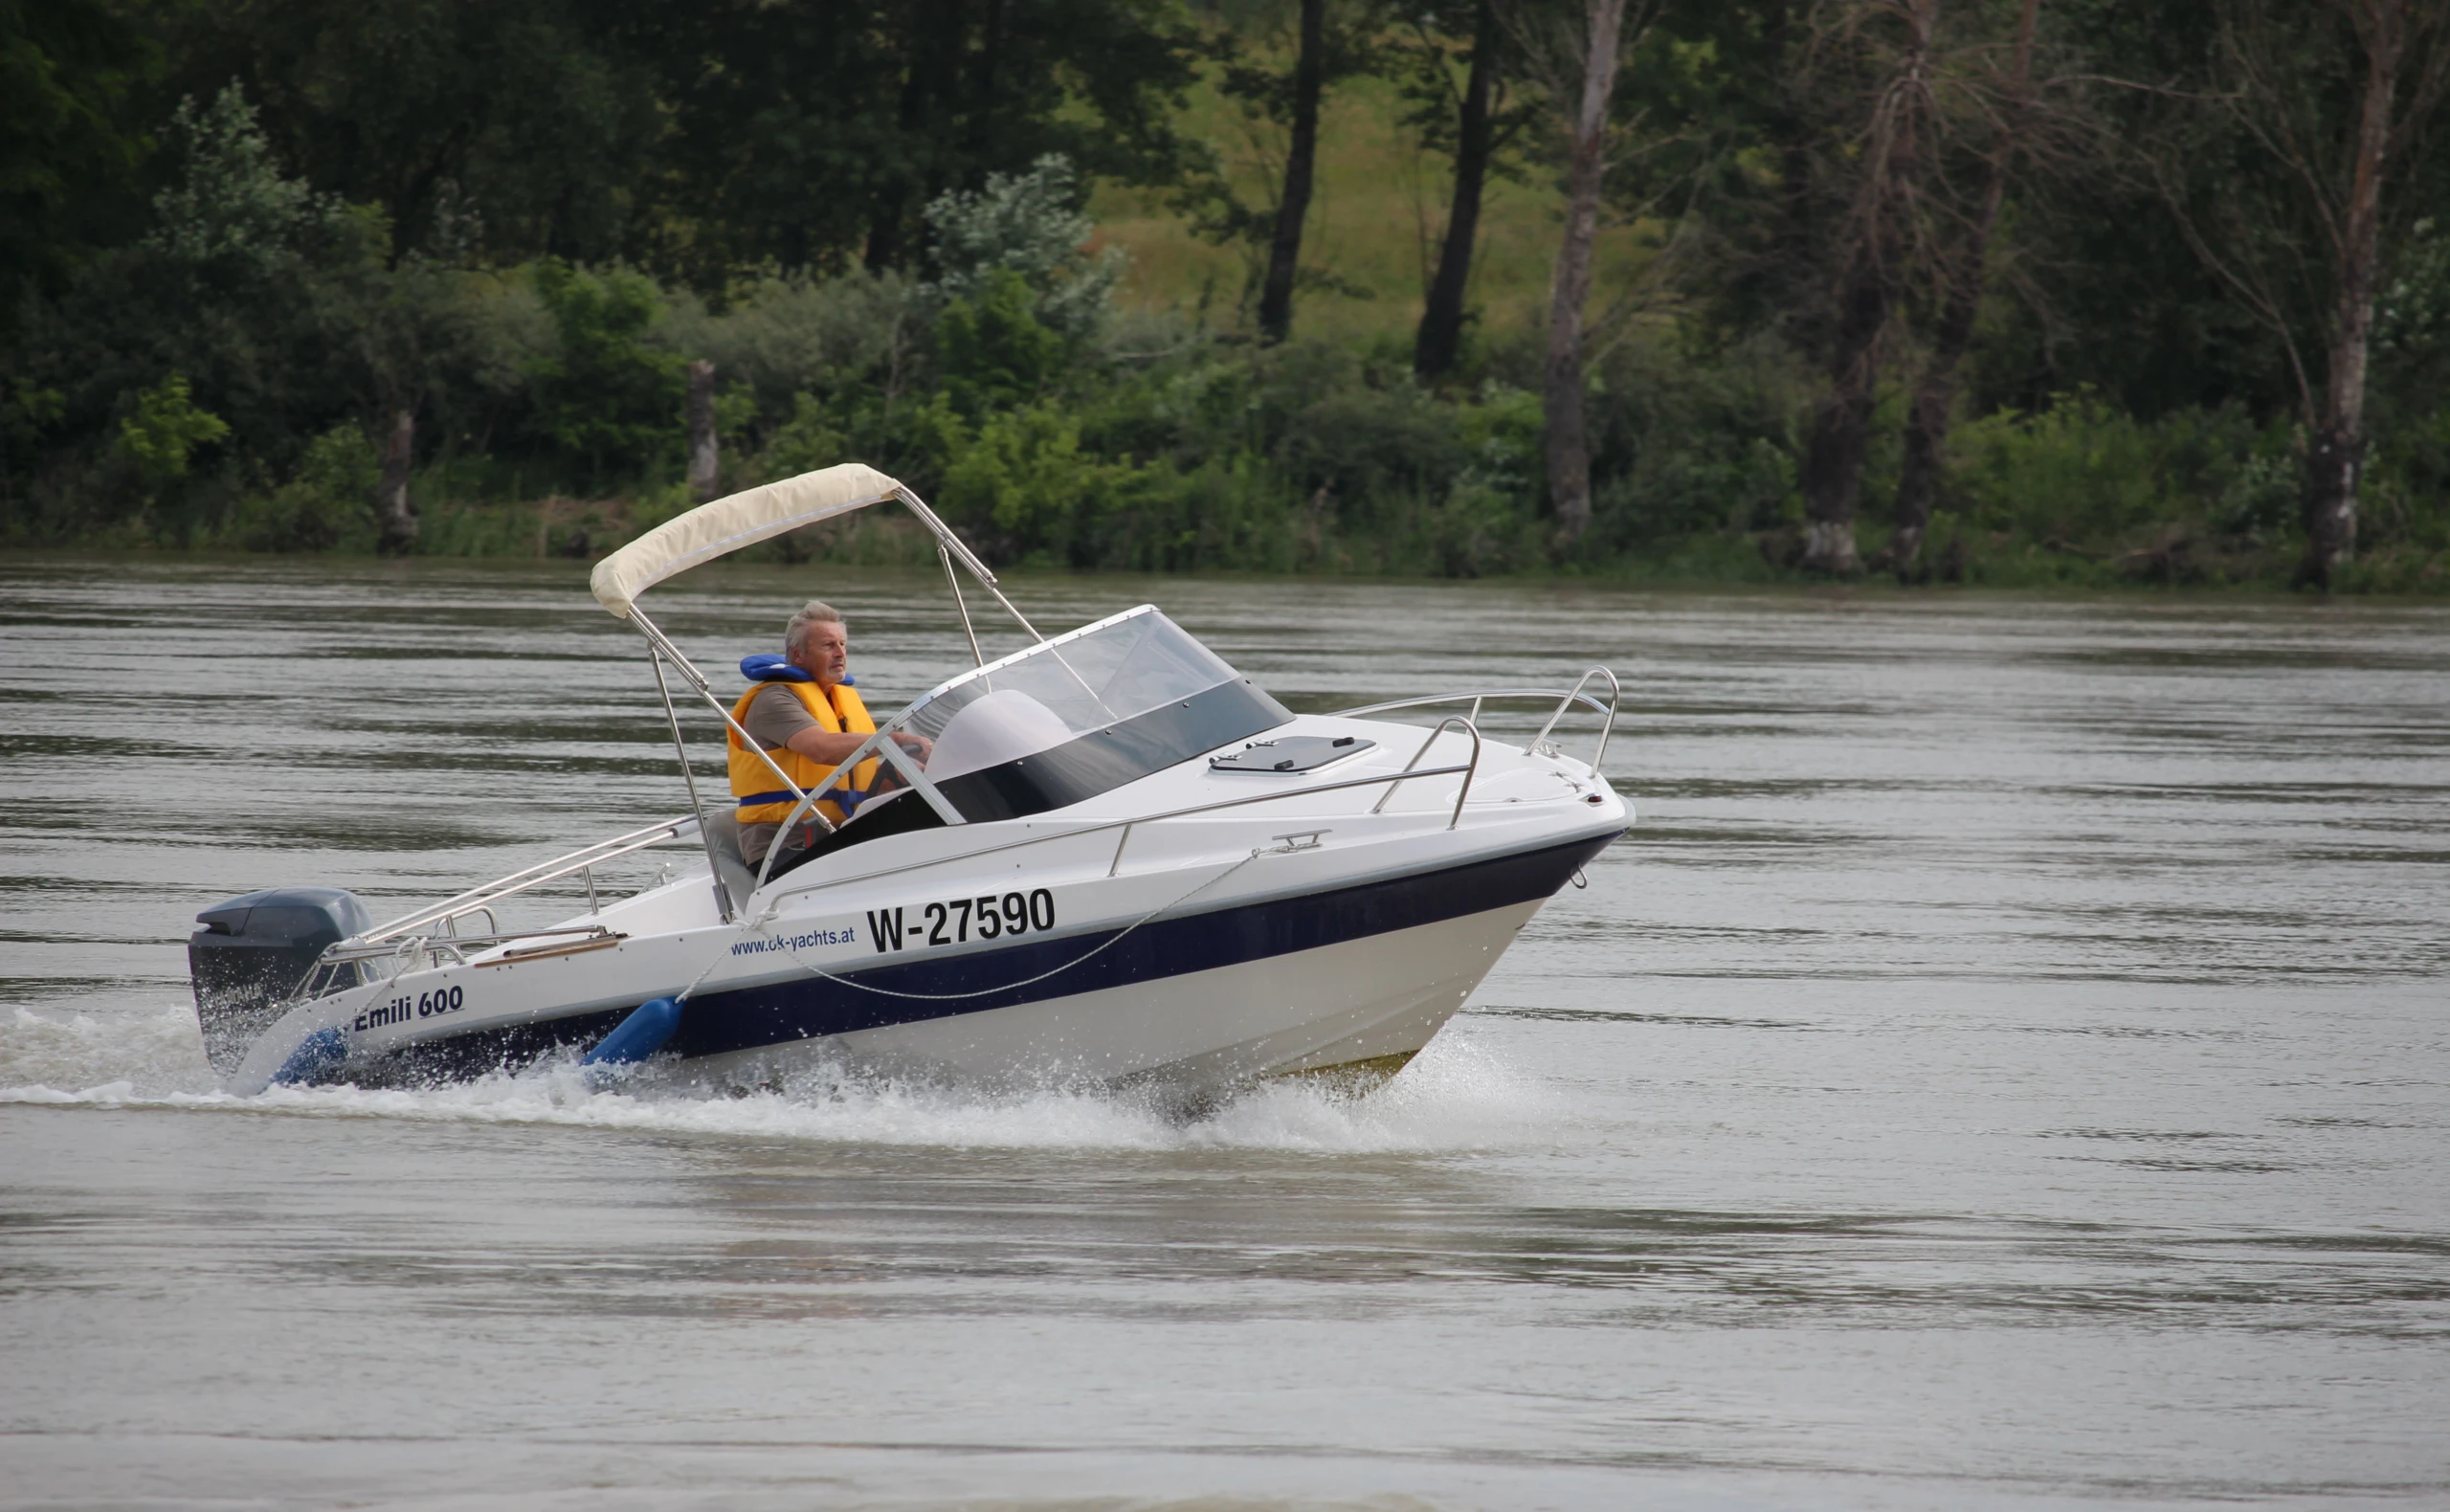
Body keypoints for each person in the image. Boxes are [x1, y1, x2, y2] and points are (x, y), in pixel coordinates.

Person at [725, 600, 927, 873]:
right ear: (798, 655)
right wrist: (896, 741)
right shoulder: (774, 698)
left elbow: (855, 775)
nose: (840, 653)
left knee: (917, 772)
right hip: (784, 846)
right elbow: (821, 749)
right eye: (828, 645)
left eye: (842, 644)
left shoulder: (839, 698)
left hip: (840, 833)